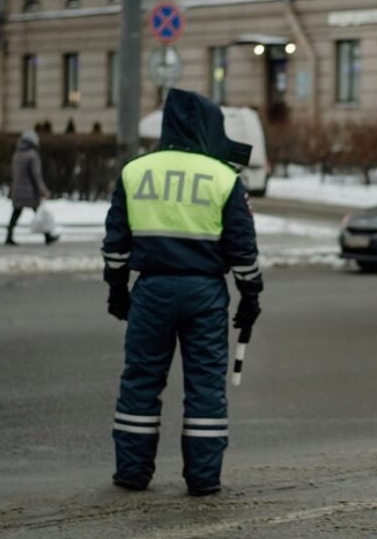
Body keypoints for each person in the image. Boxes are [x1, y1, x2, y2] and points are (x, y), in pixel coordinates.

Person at [102, 89, 263, 496]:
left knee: (140, 381)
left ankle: (132, 472)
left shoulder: (135, 171)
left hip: (151, 291)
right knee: (206, 386)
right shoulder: (224, 177)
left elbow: (116, 243)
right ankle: (203, 478)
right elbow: (242, 248)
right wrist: (250, 295)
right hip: (206, 294)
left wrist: (118, 289)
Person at [5, 129, 59, 245]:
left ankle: (8, 236)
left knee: (16, 213)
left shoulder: (17, 154)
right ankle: (48, 236)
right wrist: (43, 190)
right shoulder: (33, 155)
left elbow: (13, 173)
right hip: (30, 192)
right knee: (39, 212)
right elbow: (36, 176)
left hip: (17, 191)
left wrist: (11, 189)